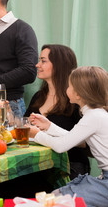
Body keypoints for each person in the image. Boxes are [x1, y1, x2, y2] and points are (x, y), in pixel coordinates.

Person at [29, 66, 108, 206]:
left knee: (57, 199)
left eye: (69, 86)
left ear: (78, 94)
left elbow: (60, 146)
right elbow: (73, 138)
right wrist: (49, 126)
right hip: (105, 178)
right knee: (56, 196)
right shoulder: (96, 113)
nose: (66, 89)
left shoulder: (93, 116)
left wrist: (37, 135)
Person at [25, 44, 90, 179]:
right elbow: (25, 127)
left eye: (43, 61)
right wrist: (8, 113)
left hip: (69, 164)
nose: (37, 65)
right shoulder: (38, 96)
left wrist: (44, 132)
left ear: (59, 65)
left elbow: (86, 142)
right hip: (39, 163)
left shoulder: (76, 100)